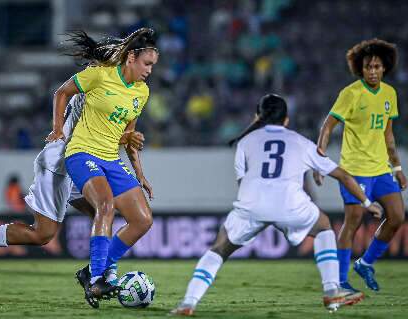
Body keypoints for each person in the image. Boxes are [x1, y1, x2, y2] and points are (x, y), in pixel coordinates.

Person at [172, 94, 382, 316]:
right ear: (287, 119)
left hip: (252, 205)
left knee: (218, 249)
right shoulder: (300, 141)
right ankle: (332, 290)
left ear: (258, 117)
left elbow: (242, 182)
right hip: (291, 205)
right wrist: (367, 202)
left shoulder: (245, 142)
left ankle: (188, 302)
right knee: (323, 227)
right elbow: (344, 176)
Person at [0, 94, 145, 270]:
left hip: (79, 164)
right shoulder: (96, 88)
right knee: (43, 234)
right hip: (59, 164)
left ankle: (103, 273)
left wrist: (138, 171)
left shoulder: (114, 89)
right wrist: (127, 137)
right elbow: (95, 134)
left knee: (103, 210)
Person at [45, 27, 159, 308]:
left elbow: (128, 138)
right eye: (147, 63)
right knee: (105, 205)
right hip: (82, 153)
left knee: (143, 220)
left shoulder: (141, 93)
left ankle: (90, 271)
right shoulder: (100, 75)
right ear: (131, 57)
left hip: (110, 158)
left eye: (153, 66)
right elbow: (62, 92)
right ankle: (97, 279)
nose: (150, 71)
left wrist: (140, 173)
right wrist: (58, 129)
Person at [314, 39, 406, 293]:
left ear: (384, 68)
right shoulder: (351, 93)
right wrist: (320, 153)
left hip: (380, 169)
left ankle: (365, 263)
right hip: (355, 170)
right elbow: (328, 124)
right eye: (368, 67)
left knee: (397, 216)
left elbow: (388, 135)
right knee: (352, 221)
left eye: (377, 66)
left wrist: (397, 169)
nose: (373, 71)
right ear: (360, 69)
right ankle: (340, 280)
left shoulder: (389, 94)